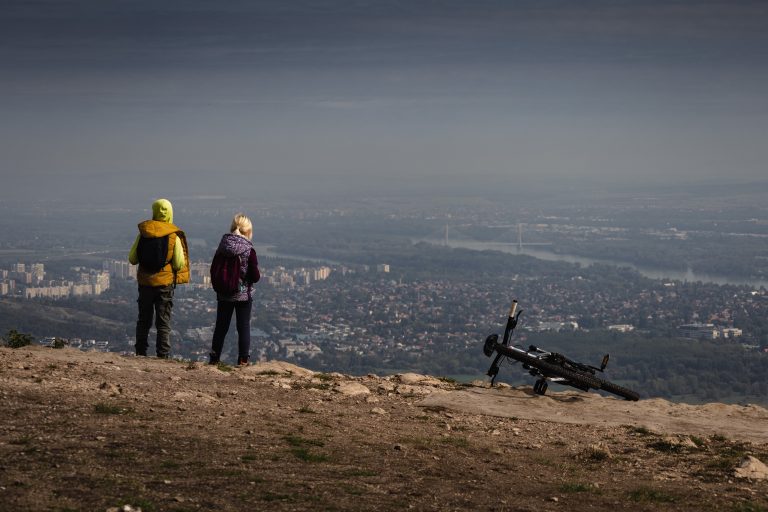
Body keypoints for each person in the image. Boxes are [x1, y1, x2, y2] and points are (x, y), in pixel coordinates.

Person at [128, 198, 189, 358]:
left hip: (145, 284)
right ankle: (163, 355)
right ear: (170, 213)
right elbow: (178, 264)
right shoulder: (173, 236)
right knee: (163, 322)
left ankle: (140, 352)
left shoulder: (143, 233)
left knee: (144, 320)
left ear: (154, 212)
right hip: (164, 285)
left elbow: (132, 259)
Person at [209, 213, 260, 366]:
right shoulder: (249, 250)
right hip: (242, 295)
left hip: (224, 292)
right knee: (243, 327)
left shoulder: (222, 245)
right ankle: (243, 360)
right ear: (248, 231)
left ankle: (214, 358)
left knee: (221, 327)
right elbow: (255, 276)